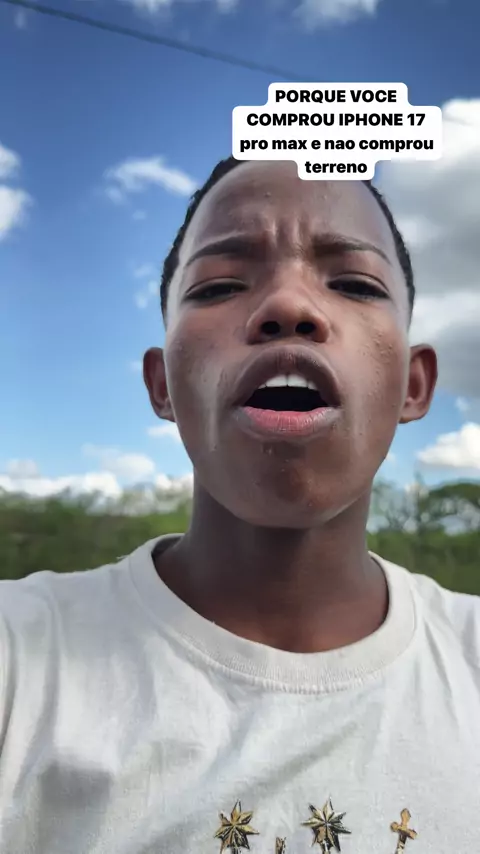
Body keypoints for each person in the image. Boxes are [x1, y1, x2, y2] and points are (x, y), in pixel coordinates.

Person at [0, 157, 479, 854]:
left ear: (413, 383)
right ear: (163, 385)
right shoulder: (20, 659)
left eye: (353, 283)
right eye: (221, 284)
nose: (289, 306)